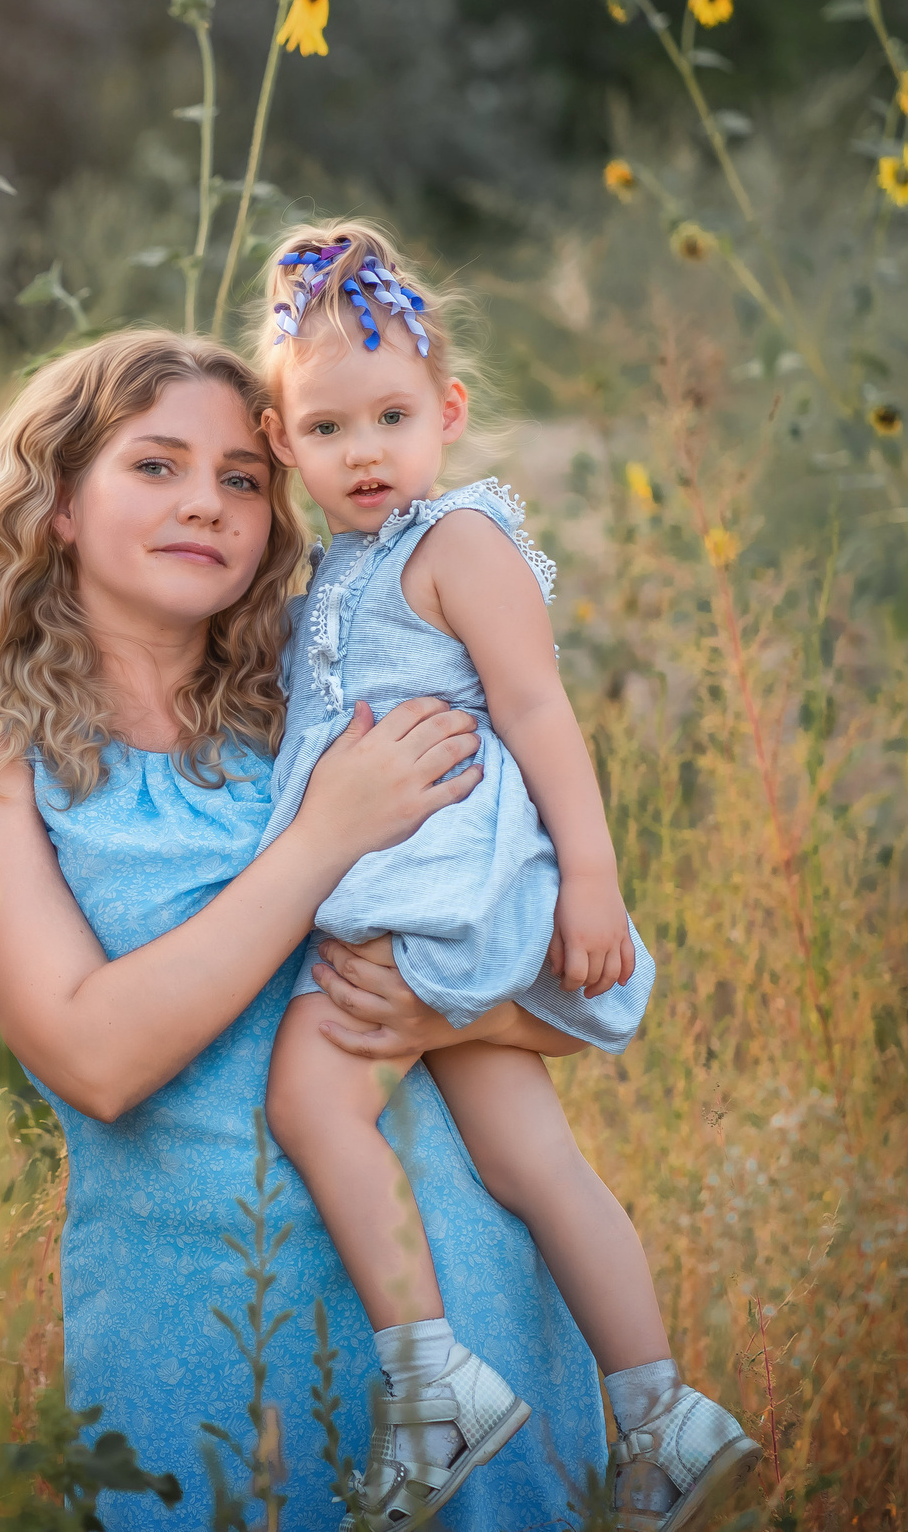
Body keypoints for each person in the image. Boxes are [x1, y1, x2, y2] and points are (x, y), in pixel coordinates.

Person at [0, 329, 607, 1530]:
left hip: (464, 1303)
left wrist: (449, 1013)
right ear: (56, 502)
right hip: (204, 1327)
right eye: (156, 466)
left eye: (240, 477)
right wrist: (322, 839)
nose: (205, 504)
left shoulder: (332, 702)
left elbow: (578, 993)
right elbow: (93, 1060)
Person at [248, 220, 756, 1528]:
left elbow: (536, 710)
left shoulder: (455, 542)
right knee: (534, 1161)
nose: (365, 451)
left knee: (311, 1097)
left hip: (434, 895)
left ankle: (432, 1389)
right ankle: (662, 1413)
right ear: (282, 440)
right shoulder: (334, 572)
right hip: (419, 897)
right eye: (327, 428)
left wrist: (593, 876)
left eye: (392, 417)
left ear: (450, 412)